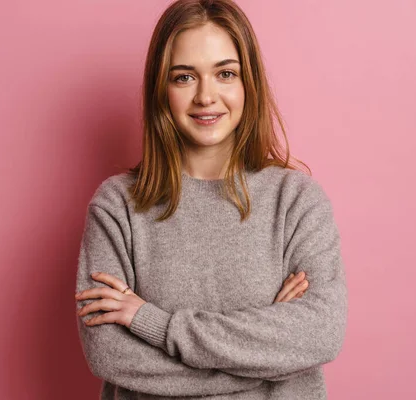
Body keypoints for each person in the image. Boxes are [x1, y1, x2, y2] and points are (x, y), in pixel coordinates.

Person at [74, 0, 348, 398]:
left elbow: (321, 333)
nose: (206, 96)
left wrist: (154, 323)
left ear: (248, 82)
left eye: (225, 73)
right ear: (161, 88)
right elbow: (110, 354)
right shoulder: (117, 207)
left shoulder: (297, 201)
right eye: (184, 77)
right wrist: (269, 360)